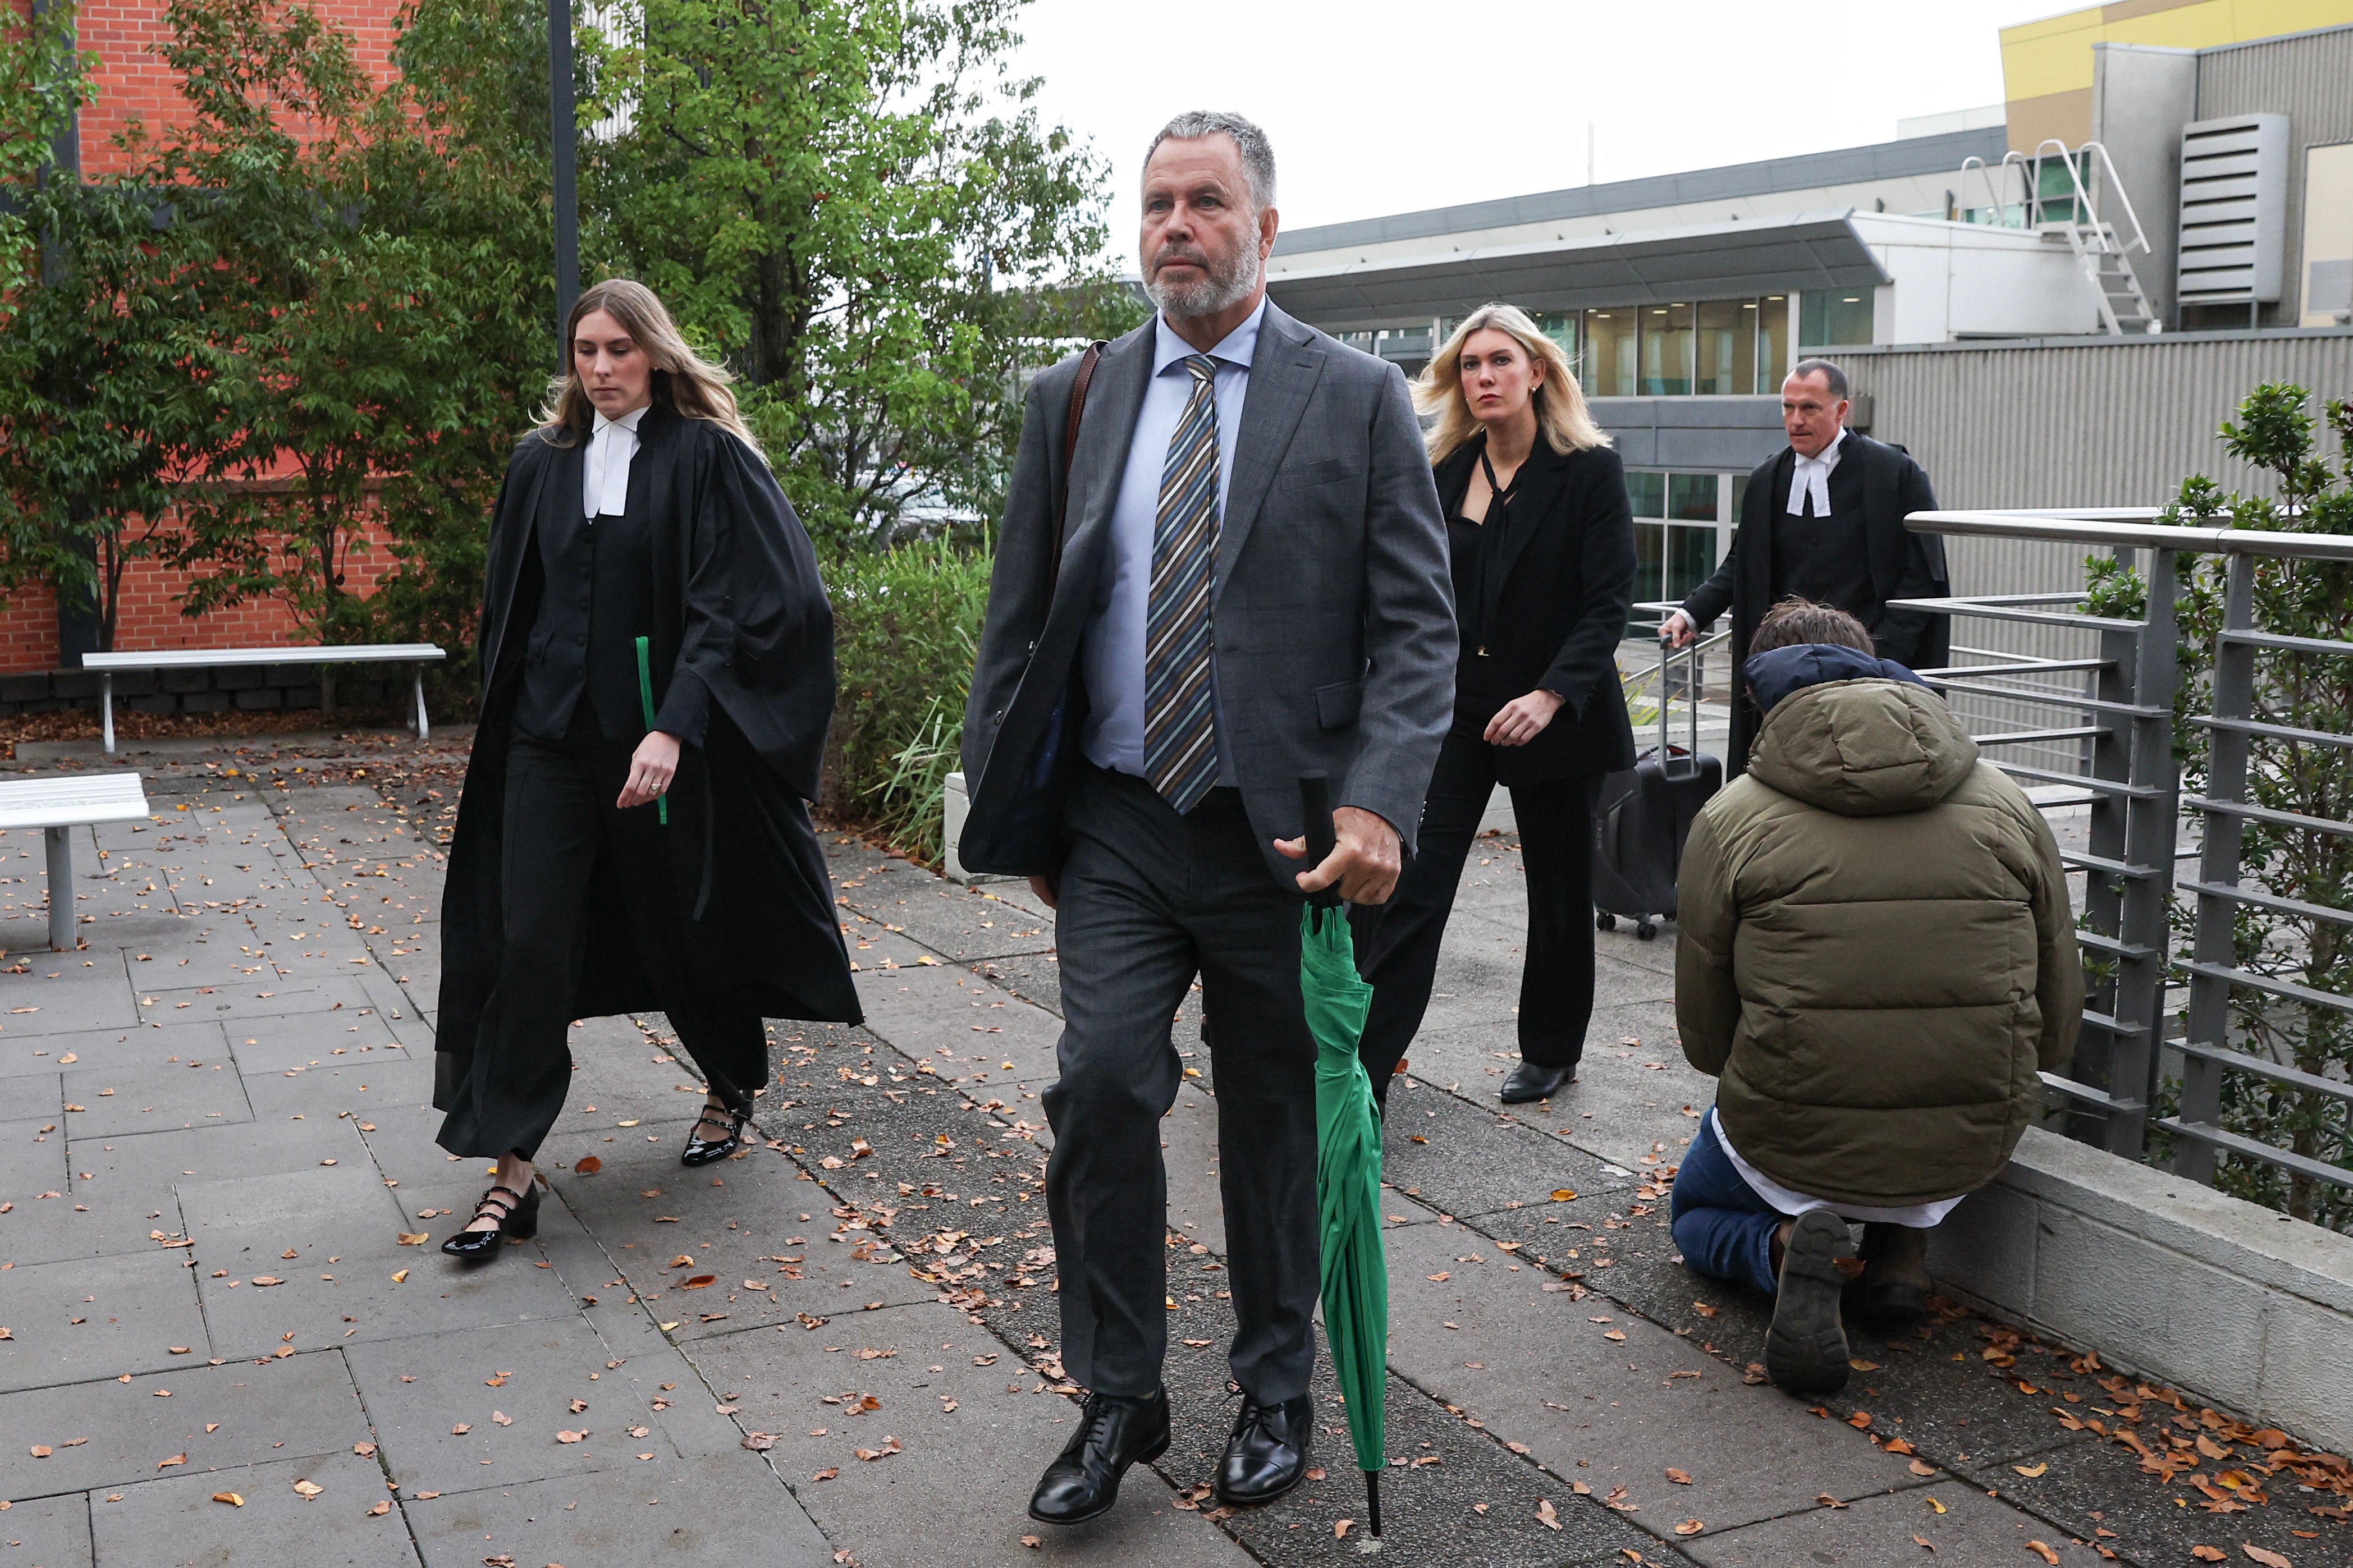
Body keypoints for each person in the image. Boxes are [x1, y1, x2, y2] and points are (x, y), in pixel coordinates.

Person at [957, 111, 1453, 1525]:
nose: (1174, 226)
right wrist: (1026, 816)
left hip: (1280, 838)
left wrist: (1376, 800)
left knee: (1272, 1116)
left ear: (1264, 228)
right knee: (1102, 1083)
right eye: (1156, 203)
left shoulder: (1352, 396)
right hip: (1117, 822)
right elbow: (1020, 625)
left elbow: (1416, 630)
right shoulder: (1074, 394)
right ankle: (1117, 1392)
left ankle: (1275, 1380)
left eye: (1205, 204)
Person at [432, 278, 860, 1261]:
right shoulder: (541, 465)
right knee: (529, 937)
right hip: (548, 741)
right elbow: (515, 605)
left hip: (659, 747)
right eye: (586, 350)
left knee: (683, 924)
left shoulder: (704, 459)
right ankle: (512, 1171)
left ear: (654, 354)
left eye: (619, 349)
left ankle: (728, 1075)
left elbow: (732, 607)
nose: (600, 367)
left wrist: (672, 726)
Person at [1668, 599, 2080, 1395]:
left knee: (1694, 1213)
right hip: (1971, 1130)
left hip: (1792, 1131)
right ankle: (1901, 1258)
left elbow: (1706, 1040)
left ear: (1760, 697)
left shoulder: (1731, 817)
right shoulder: (2007, 801)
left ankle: (1786, 1247)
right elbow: (2059, 1015)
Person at [1350, 302, 1636, 1109]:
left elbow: (1609, 601)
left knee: (1556, 889)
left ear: (1537, 373)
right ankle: (1364, 1066)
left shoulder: (1590, 470)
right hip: (1455, 704)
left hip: (1555, 707)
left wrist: (1550, 694)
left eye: (1500, 361)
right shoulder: (1442, 467)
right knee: (1415, 877)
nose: (1484, 376)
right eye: (1471, 364)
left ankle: (1551, 1050)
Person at [1662, 359, 1950, 773]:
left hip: (1867, 663)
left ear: (1841, 410)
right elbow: (1742, 561)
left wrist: (1884, 658)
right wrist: (1693, 612)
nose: (1796, 420)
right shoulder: (1768, 478)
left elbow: (1922, 573)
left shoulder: (1894, 474)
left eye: (1810, 408)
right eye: (1788, 408)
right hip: (1784, 666)